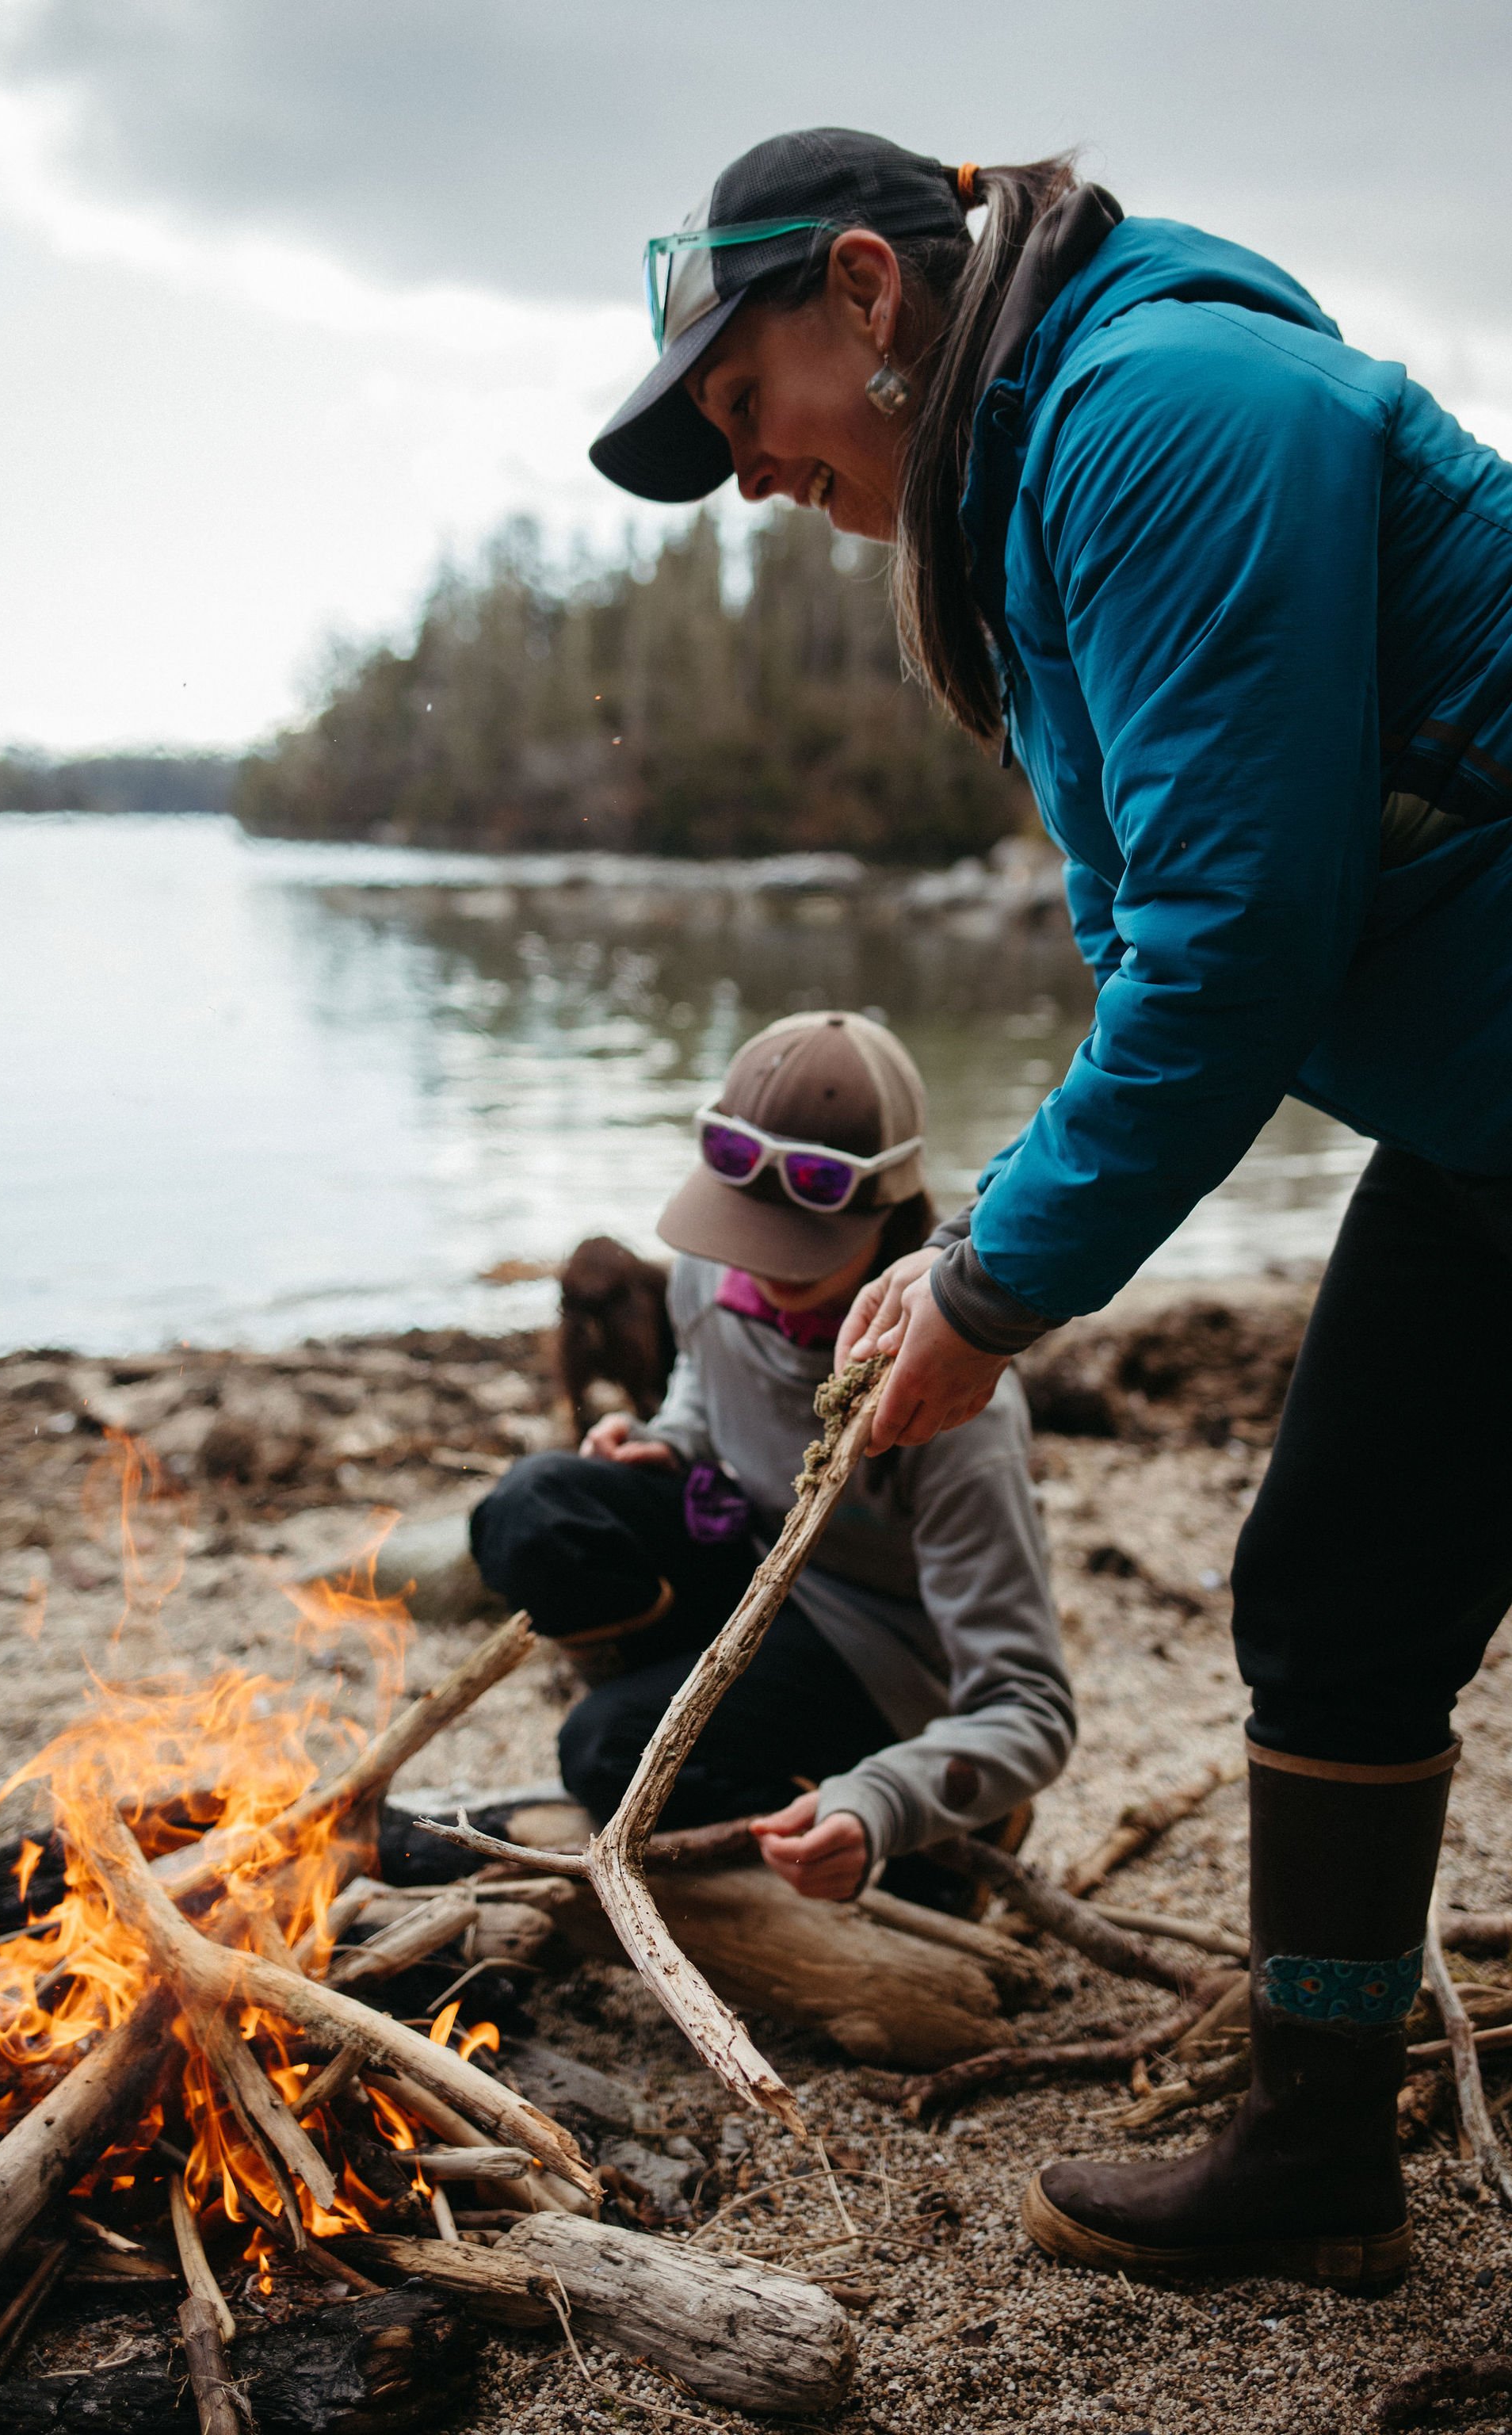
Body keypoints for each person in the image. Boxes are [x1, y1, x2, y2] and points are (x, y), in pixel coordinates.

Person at [587, 128, 1512, 2289]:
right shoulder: (1056, 475)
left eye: (747, 408)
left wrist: (993, 1290)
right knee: (1340, 1591)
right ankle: (1316, 2150)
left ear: (865, 290)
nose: (750, 481)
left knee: (1348, 1580)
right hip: (1489, 1119)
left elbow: (1230, 949)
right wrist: (983, 1248)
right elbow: (1185, 930)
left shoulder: (1168, 415)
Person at [470, 1008, 1073, 1909]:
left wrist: (881, 1804)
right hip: (748, 1555)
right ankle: (677, 1700)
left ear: (890, 1207)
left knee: (602, 1749)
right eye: (747, 1235)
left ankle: (939, 1850)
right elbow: (707, 1393)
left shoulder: (958, 1412)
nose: (758, 1267)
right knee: (531, 1511)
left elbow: (1030, 1707)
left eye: (797, 1248)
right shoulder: (707, 1273)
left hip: (877, 1653)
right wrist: (669, 1441)